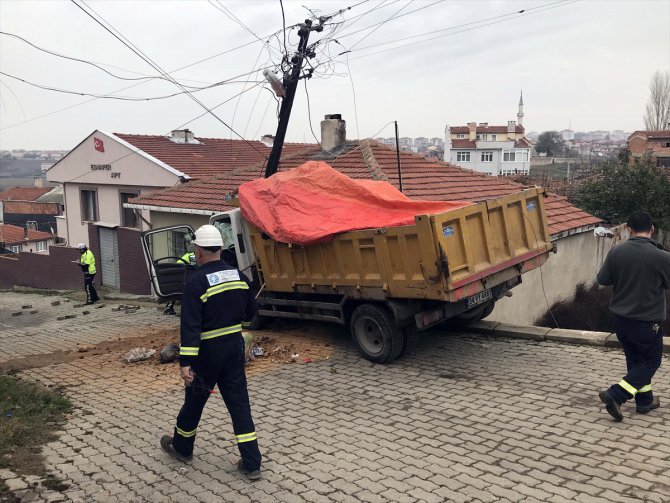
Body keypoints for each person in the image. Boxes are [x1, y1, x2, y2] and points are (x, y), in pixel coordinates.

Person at [160, 225, 261, 480]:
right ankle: (252, 463)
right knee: (239, 406)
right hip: (234, 349)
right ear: (219, 248)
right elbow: (251, 312)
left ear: (199, 251)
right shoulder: (239, 276)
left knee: (194, 402)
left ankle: (182, 447)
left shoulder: (196, 283)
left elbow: (191, 327)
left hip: (207, 355)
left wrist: (186, 363)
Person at [597, 211, 670, 421]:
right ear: (652, 228)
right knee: (651, 361)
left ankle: (644, 402)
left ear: (629, 229)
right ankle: (616, 394)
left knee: (636, 360)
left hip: (620, 319)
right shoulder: (662, 257)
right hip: (647, 322)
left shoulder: (617, 252)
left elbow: (603, 279)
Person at [163, 251, 196, 315]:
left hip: (180, 275)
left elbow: (178, 264)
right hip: (185, 276)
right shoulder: (192, 256)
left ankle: (169, 307)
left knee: (176, 292)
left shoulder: (188, 255)